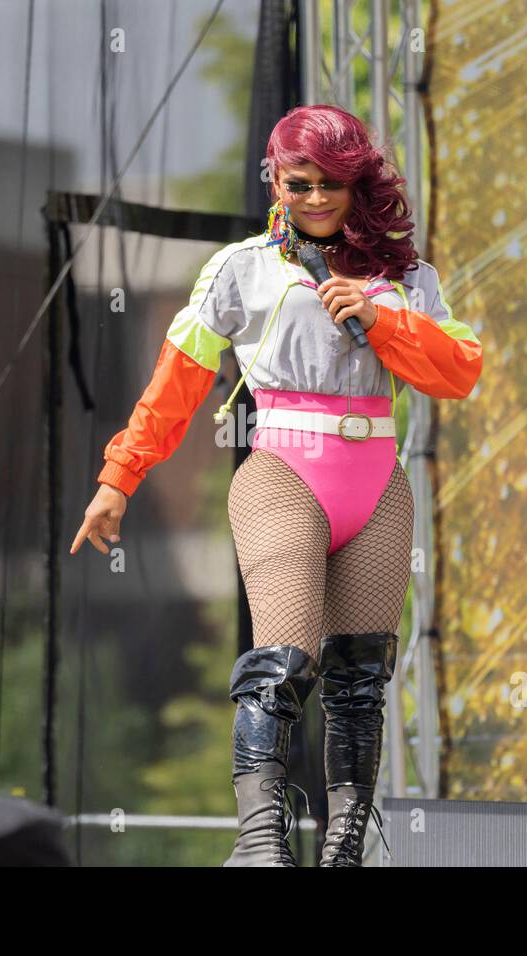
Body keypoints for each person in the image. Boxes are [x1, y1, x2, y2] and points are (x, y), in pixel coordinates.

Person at [70, 104, 482, 866]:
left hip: (377, 482)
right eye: (301, 183)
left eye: (334, 183)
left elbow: (460, 371)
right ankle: (260, 843)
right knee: (285, 662)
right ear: (276, 180)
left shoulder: (407, 278)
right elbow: (176, 384)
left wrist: (383, 320)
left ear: (361, 186)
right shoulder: (241, 267)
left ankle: (345, 844)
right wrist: (119, 478)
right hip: (285, 471)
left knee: (360, 675)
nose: (318, 198)